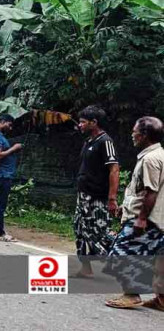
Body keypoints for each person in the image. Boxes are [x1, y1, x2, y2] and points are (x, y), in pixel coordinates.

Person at [104, 116, 164, 310]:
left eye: (134, 131)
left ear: (144, 134)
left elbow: (151, 191)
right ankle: (162, 299)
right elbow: (142, 191)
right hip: (155, 217)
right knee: (157, 259)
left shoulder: (150, 159)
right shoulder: (160, 155)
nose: (132, 134)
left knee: (122, 252)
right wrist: (126, 206)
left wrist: (141, 218)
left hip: (146, 219)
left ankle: (131, 294)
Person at [74, 106, 120, 278]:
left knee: (100, 233)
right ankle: (86, 268)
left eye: (83, 122)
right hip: (83, 196)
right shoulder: (89, 141)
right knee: (80, 230)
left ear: (94, 123)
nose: (80, 125)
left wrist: (112, 198)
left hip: (97, 197)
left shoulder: (105, 141)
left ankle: (125, 262)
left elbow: (114, 170)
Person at [0, 114, 23, 242]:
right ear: (2, 122)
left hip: (2, 174)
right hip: (1, 175)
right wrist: (14, 148)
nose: (10, 128)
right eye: (9, 124)